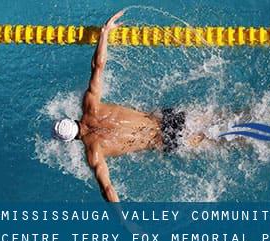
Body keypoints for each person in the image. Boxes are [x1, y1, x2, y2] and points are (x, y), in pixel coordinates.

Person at [53, 11, 205, 202]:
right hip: (167, 118)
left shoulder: (94, 152)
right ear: (71, 119)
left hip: (166, 140)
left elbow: (107, 189)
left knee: (223, 140)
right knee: (221, 118)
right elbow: (98, 66)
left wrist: (127, 224)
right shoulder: (90, 105)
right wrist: (104, 33)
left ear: (71, 140)